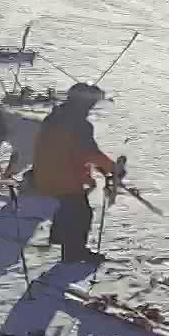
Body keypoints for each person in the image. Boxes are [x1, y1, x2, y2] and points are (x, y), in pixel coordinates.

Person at [32, 84, 116, 264]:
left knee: (68, 207)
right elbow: (89, 152)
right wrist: (111, 168)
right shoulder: (79, 125)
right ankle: (73, 253)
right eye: (91, 103)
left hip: (46, 172)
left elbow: (69, 149)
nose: (92, 107)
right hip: (64, 176)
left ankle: (61, 240)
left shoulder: (54, 117)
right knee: (81, 213)